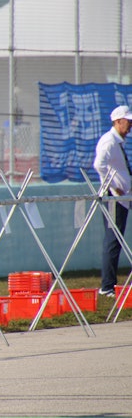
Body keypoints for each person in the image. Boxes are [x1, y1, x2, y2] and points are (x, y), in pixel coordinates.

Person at [93, 105, 132, 298]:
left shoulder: (117, 142)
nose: (130, 125)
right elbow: (98, 165)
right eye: (128, 121)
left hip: (123, 197)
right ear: (117, 121)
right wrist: (113, 186)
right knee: (113, 240)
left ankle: (110, 285)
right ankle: (107, 286)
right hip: (113, 198)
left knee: (116, 239)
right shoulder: (108, 141)